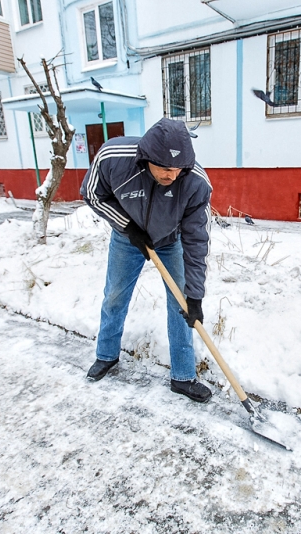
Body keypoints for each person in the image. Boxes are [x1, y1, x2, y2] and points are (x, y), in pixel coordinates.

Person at [80, 118, 213, 403]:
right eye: (165, 168)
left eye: (178, 169)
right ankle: (106, 355)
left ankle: (183, 376)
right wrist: (128, 227)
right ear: (148, 158)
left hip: (170, 241)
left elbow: (196, 241)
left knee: (181, 307)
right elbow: (92, 194)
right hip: (127, 239)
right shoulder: (113, 159)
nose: (172, 175)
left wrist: (196, 296)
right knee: (115, 296)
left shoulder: (195, 183)